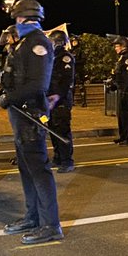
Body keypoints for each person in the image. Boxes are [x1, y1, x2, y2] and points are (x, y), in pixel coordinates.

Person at [0, 0, 62, 244]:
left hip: (30, 114)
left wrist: (9, 98)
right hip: (20, 113)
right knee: (26, 168)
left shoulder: (38, 43)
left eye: (16, 17)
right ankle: (33, 216)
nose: (15, 22)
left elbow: (38, 85)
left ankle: (50, 225)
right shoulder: (24, 43)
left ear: (23, 16)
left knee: (38, 170)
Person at [47, 27, 76, 171]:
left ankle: (67, 161)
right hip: (51, 101)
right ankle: (58, 157)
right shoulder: (52, 57)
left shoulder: (65, 57)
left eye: (52, 41)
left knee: (62, 130)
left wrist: (57, 96)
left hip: (61, 101)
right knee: (53, 129)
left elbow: (66, 81)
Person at [107, 35, 128, 144]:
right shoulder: (123, 57)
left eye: (117, 46)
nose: (115, 48)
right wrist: (114, 84)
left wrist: (126, 90)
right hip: (122, 89)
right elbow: (120, 74)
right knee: (122, 114)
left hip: (127, 90)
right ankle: (124, 136)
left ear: (123, 46)